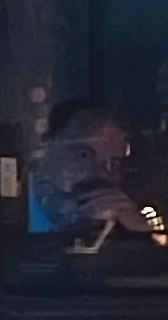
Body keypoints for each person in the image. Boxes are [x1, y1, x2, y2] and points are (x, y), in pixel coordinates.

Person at [27, 100, 155, 248]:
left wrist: (140, 232)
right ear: (49, 148)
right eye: (83, 155)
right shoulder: (10, 208)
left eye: (113, 163)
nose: (100, 173)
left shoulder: (121, 217)